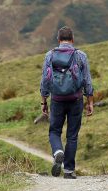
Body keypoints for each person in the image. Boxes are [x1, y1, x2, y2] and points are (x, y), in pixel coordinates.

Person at [40, 26, 94, 179]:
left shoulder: (49, 55)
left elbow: (45, 80)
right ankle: (69, 171)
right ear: (72, 39)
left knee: (54, 131)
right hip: (75, 99)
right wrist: (90, 101)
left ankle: (58, 151)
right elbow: (87, 80)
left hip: (56, 99)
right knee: (72, 135)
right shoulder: (80, 55)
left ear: (58, 40)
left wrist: (44, 101)